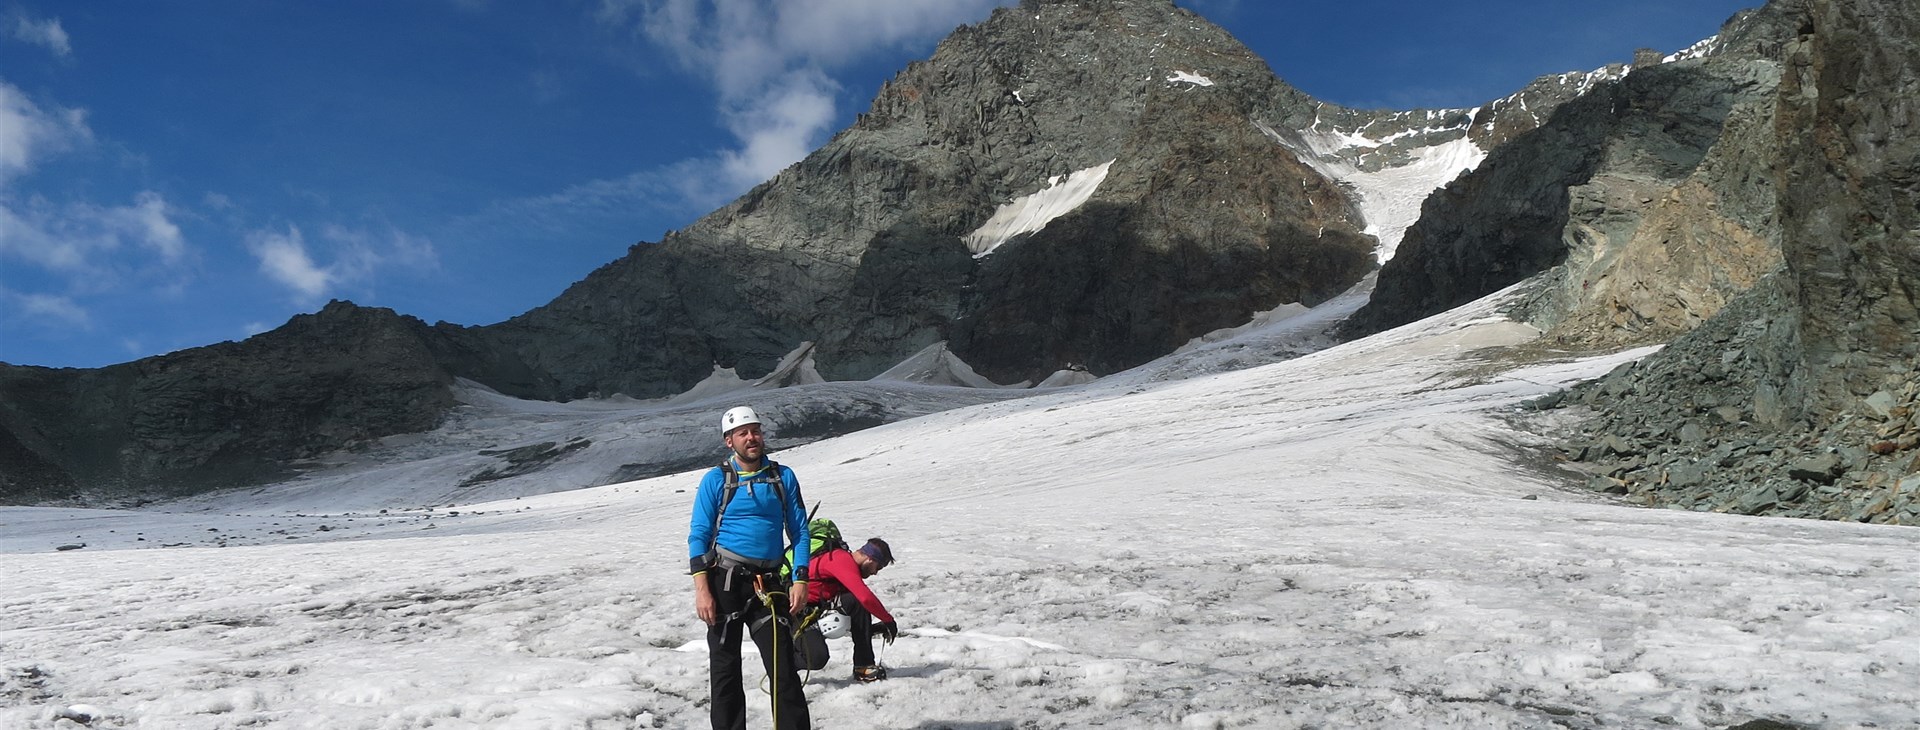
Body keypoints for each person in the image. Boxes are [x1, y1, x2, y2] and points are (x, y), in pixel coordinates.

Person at [689, 406, 811, 730]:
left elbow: (799, 530)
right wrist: (702, 590)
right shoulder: (716, 480)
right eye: (742, 433)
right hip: (726, 582)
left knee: (784, 668)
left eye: (755, 430)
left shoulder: (782, 477)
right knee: (726, 671)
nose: (751, 437)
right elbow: (698, 537)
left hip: (769, 584)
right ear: (729, 441)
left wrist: (800, 578)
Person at [805, 536, 899, 682]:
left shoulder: (844, 561)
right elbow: (865, 597)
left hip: (814, 609)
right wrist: (888, 620)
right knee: (817, 658)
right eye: (878, 567)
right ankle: (782, 666)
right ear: (870, 559)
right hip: (797, 612)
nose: (875, 573)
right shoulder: (841, 560)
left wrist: (871, 629)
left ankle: (863, 666)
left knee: (855, 602)